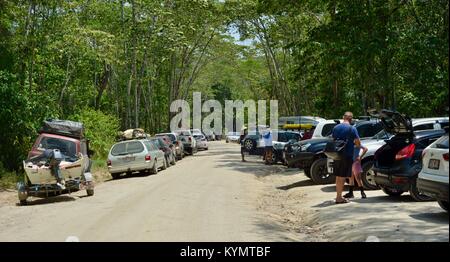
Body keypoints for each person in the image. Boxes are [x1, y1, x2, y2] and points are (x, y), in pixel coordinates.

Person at [332, 112, 360, 204]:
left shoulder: (335, 128)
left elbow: (333, 140)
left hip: (336, 154)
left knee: (338, 175)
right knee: (342, 176)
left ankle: (338, 196)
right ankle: (339, 198)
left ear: (343, 117)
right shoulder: (352, 128)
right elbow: (357, 142)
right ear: (351, 119)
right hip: (347, 154)